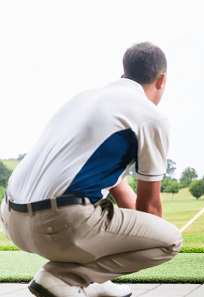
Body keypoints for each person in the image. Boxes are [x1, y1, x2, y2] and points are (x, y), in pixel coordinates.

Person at [0, 42, 183, 297]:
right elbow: (149, 208)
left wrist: (140, 230)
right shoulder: (151, 116)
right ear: (162, 79)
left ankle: (94, 282)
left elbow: (119, 190)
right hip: (58, 224)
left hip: (10, 220)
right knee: (170, 241)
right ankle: (66, 277)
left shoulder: (86, 98)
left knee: (102, 207)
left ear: (123, 76)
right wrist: (156, 237)